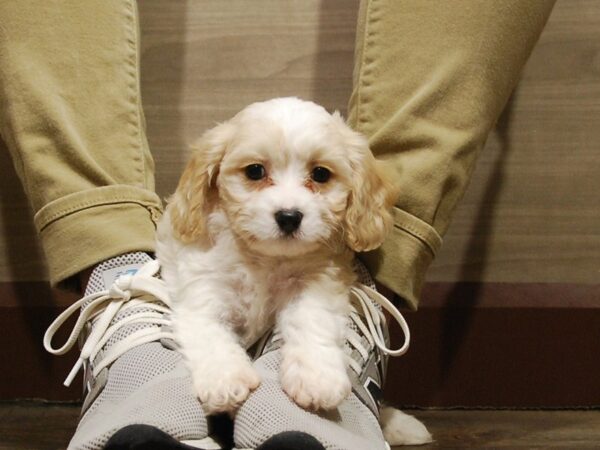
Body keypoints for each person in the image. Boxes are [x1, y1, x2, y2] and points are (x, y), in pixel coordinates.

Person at [0, 1, 555, 449]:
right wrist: (218, 361)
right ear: (210, 181)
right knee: (202, 320)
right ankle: (127, 315)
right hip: (201, 331)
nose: (288, 203)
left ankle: (346, 361)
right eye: (256, 173)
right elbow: (199, 310)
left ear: (358, 187)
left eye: (319, 175)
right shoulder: (204, 239)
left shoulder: (319, 252)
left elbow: (312, 293)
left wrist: (312, 348)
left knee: (317, 301)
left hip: (316, 292)